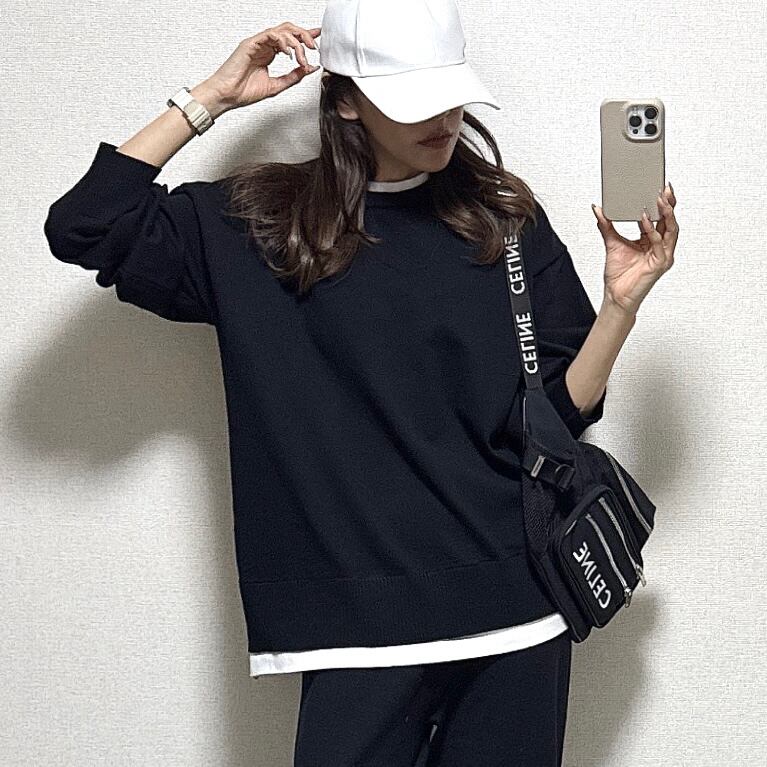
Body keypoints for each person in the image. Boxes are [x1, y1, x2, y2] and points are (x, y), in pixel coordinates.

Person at [43, 1, 678, 764]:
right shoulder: (258, 224)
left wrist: (619, 304)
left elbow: (559, 415)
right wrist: (211, 97)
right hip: (351, 627)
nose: (443, 119)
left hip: (515, 605)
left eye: (450, 94)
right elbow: (86, 224)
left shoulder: (501, 220)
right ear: (343, 100)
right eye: (414, 99)